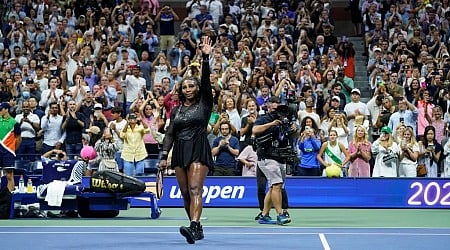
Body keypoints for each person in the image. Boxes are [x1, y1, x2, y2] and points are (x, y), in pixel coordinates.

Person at [159, 36, 213, 244]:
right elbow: (170, 133)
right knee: (184, 193)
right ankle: (195, 225)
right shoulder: (177, 110)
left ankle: (193, 226)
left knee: (194, 189)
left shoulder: (205, 103)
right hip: (180, 149)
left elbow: (206, 81)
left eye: (192, 86)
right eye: (185, 87)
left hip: (198, 148)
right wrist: (164, 155)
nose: (188, 89)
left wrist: (205, 59)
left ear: (197, 89)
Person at [253, 100, 296, 225]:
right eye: (276, 107)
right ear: (269, 107)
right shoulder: (264, 119)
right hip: (266, 157)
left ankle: (264, 215)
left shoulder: (285, 122)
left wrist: (293, 129)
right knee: (277, 185)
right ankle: (280, 214)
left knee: (274, 187)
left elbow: (291, 138)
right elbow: (255, 130)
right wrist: (272, 123)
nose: (279, 111)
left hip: (281, 158)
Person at [0, 102, 21, 192]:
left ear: (6, 110)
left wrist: (13, 150)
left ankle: (9, 197)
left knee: (9, 175)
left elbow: (19, 138)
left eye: (1, 109)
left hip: (8, 152)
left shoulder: (14, 122)